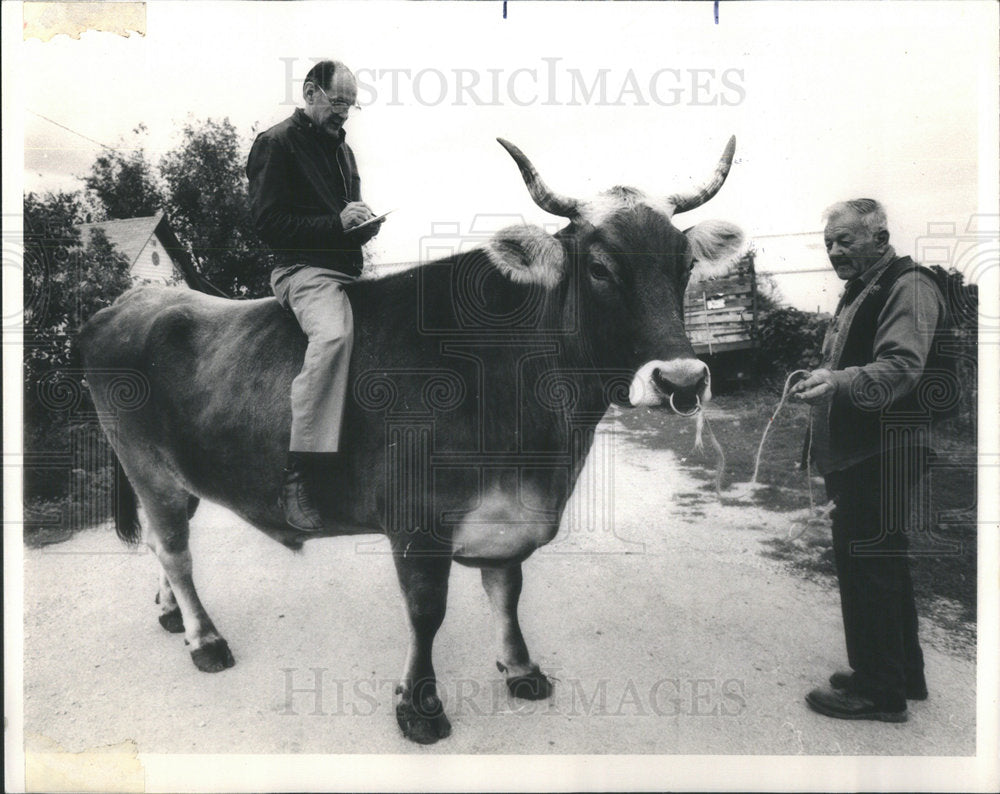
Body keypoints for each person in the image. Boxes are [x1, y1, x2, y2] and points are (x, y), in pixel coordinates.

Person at [791, 198, 946, 722]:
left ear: (880, 239)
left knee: (868, 566)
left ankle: (878, 692)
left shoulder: (910, 285)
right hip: (867, 451)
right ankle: (902, 673)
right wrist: (825, 376)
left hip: (883, 450)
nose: (834, 251)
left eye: (845, 241)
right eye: (829, 242)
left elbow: (902, 367)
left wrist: (833, 381)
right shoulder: (866, 289)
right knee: (882, 563)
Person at [247, 60, 383, 531]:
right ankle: (298, 475)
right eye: (338, 101)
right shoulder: (276, 143)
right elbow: (267, 224)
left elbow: (345, 225)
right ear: (310, 92)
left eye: (351, 104)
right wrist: (335, 224)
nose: (345, 112)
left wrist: (361, 229)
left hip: (346, 271)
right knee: (333, 338)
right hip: (302, 272)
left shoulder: (344, 153)